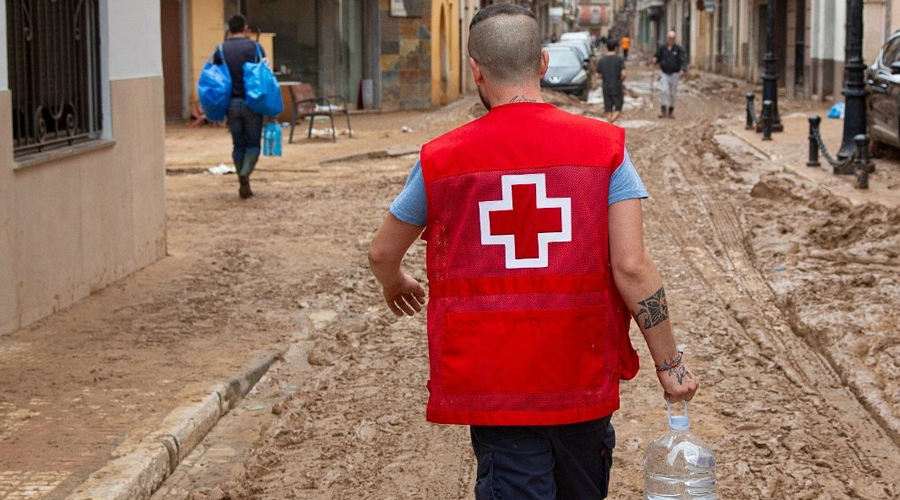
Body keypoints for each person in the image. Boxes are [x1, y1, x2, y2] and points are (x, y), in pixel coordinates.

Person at [368, 4, 699, 500]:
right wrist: (670, 365)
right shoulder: (606, 149)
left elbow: (380, 253)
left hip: (496, 381)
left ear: (475, 70)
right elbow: (632, 266)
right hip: (580, 370)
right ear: (543, 63)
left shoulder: (441, 159)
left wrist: (396, 283)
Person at [212, 14, 266, 199]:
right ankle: (245, 173)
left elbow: (215, 79)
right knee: (253, 144)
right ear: (245, 28)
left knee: (238, 145)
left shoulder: (220, 50)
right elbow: (265, 76)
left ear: (229, 29)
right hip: (253, 102)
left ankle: (243, 180)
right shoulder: (256, 48)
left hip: (231, 104)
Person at [651, 30, 687, 119]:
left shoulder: (678, 49)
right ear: (667, 39)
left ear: (675, 39)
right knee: (663, 90)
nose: (671, 40)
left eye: (673, 38)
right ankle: (663, 109)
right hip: (665, 73)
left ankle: (671, 110)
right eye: (670, 38)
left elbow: (683, 59)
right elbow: (657, 56)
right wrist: (655, 59)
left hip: (675, 73)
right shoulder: (663, 48)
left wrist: (682, 69)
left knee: (672, 93)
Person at [597, 39, 627, 123]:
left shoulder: (602, 60)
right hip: (616, 86)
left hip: (606, 86)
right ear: (616, 48)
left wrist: (605, 76)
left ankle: (609, 123)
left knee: (608, 108)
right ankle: (611, 122)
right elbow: (624, 74)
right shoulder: (619, 59)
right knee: (618, 108)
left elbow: (597, 75)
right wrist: (621, 80)